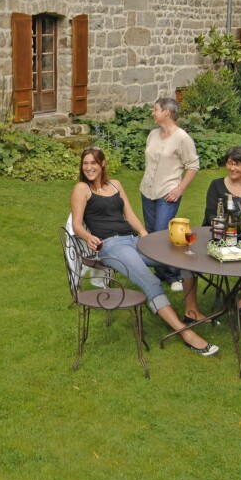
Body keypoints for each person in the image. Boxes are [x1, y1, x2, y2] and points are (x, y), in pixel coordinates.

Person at [70, 147, 219, 357]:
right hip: (112, 246)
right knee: (151, 282)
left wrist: (143, 233)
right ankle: (186, 334)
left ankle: (191, 311)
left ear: (103, 164)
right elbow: (77, 224)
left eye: (93, 163)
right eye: (85, 163)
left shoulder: (116, 184)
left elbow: (128, 213)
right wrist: (88, 237)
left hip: (133, 240)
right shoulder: (81, 189)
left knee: (184, 259)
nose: (89, 167)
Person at [190, 146, 241, 337]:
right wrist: (231, 227)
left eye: (237, 164)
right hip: (221, 235)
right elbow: (210, 215)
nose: (232, 168)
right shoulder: (216, 185)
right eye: (229, 162)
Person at [139, 97, 200, 289]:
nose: (152, 112)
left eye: (155, 109)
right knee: (151, 234)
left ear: (167, 112)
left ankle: (174, 275)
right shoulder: (153, 134)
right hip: (147, 191)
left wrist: (180, 188)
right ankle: (161, 274)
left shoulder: (182, 138)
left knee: (163, 233)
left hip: (168, 193)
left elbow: (193, 165)